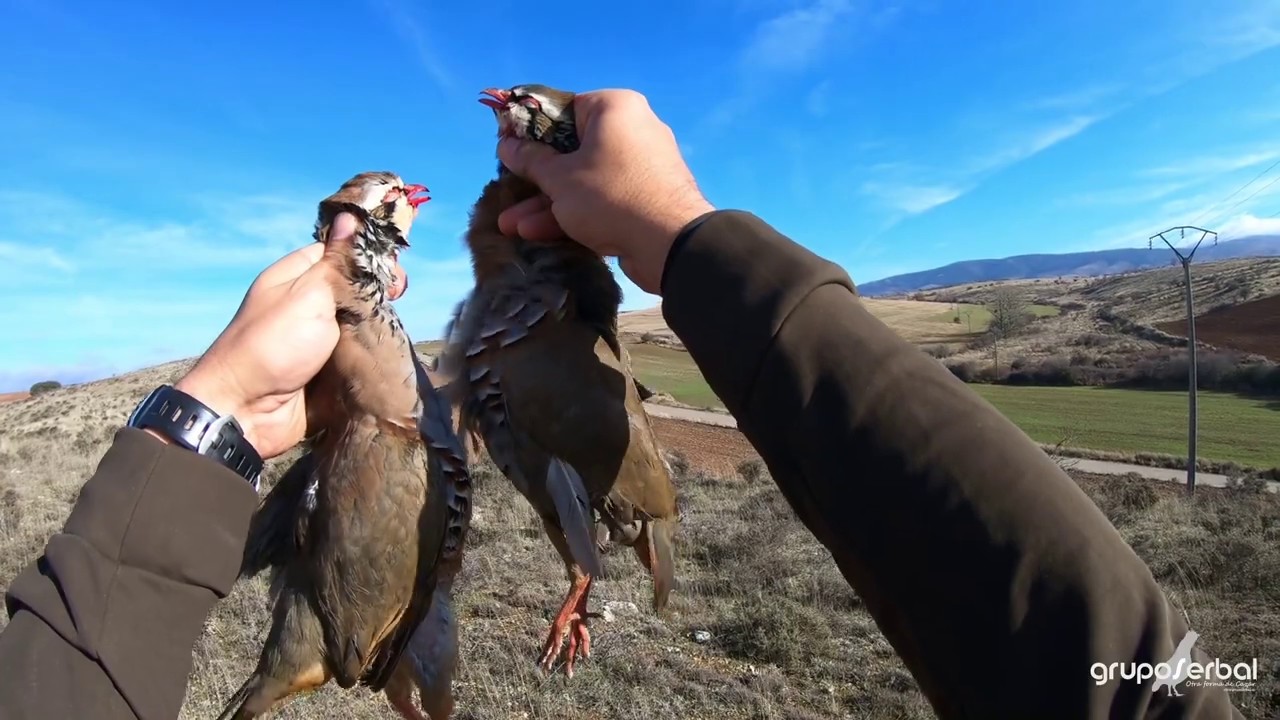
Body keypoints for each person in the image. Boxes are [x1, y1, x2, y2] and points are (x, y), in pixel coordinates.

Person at [0, 90, 1242, 720]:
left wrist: (204, 417)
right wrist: (688, 239)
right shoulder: (424, 328)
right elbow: (1124, 668)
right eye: (387, 202)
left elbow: (1113, 661)